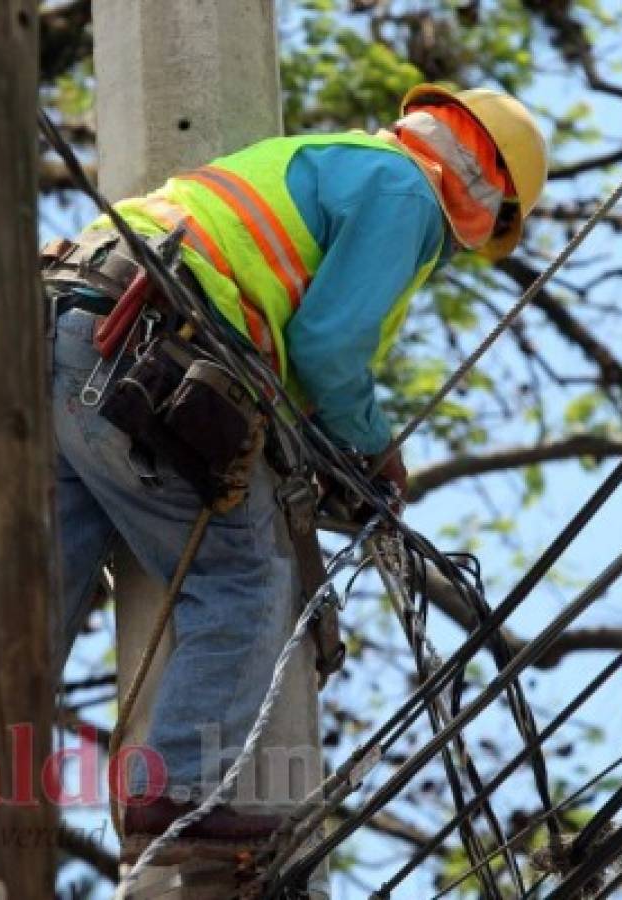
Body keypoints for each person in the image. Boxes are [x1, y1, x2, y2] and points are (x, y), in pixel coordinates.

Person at [44, 84, 548, 843]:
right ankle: (175, 797)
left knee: (34, 595)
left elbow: (290, 360)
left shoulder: (329, 160)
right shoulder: (405, 194)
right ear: (492, 205)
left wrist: (324, 450)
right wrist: (375, 447)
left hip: (71, 325)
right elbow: (326, 347)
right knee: (243, 578)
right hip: (145, 347)